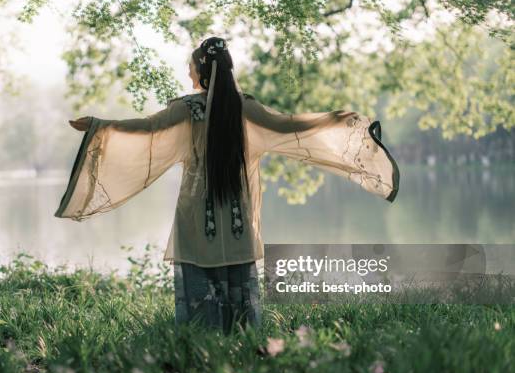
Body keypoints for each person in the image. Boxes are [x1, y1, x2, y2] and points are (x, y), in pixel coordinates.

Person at [56, 36, 400, 334]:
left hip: (198, 207)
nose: (189, 72)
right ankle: (242, 329)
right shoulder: (244, 105)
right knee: (236, 265)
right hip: (236, 206)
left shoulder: (188, 108)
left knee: (201, 264)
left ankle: (200, 329)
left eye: (192, 66)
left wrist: (100, 126)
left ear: (202, 71)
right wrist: (336, 121)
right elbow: (289, 127)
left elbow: (145, 128)